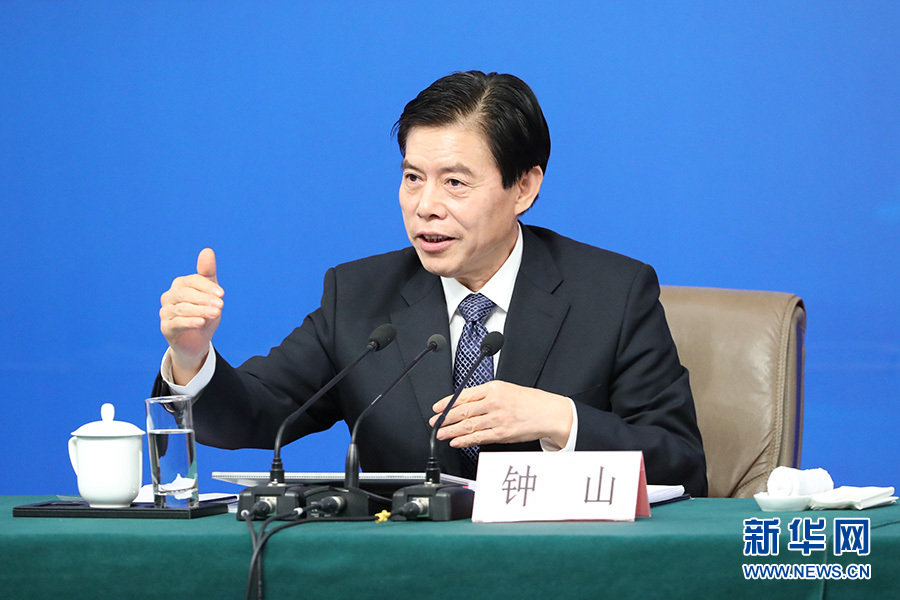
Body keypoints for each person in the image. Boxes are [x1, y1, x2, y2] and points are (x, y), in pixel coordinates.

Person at [155, 71, 708, 497]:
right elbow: (252, 416)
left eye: (455, 183)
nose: (425, 207)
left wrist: (560, 420)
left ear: (523, 188)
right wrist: (191, 357)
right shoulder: (360, 295)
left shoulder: (613, 293)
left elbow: (682, 465)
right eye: (412, 178)